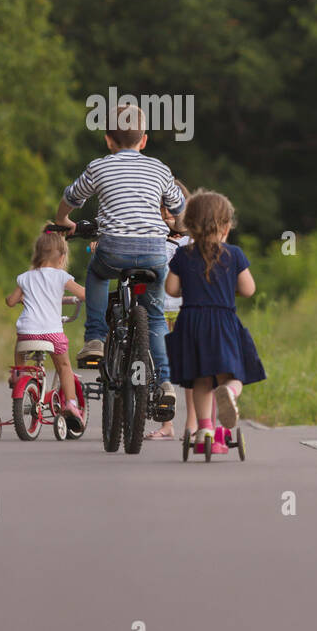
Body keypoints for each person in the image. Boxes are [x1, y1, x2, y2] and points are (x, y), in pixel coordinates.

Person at [53, 103, 185, 406]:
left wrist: (63, 221)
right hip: (153, 253)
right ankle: (164, 382)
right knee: (154, 317)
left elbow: (71, 197)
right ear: (144, 140)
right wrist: (176, 227)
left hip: (113, 249)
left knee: (97, 274)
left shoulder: (99, 166)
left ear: (108, 140)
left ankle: (96, 338)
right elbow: (179, 210)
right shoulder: (160, 169)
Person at [165, 189, 265, 456]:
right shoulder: (233, 254)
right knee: (233, 374)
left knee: (200, 379)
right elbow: (248, 290)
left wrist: (190, 285)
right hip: (223, 322)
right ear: (225, 225)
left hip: (191, 323)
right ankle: (230, 393)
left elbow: (171, 289)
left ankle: (205, 429)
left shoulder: (183, 255)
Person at [5, 230, 86, 429]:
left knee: (20, 342)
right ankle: (71, 404)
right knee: (65, 367)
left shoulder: (25, 277)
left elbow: (10, 301)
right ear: (61, 257)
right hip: (52, 333)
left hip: (28, 331)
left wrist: (24, 299)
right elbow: (84, 294)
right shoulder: (61, 276)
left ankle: (19, 374)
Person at [147, 181, 190, 442]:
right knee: (160, 367)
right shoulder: (151, 235)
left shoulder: (190, 239)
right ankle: (167, 424)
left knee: (188, 365)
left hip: (183, 308)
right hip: (159, 308)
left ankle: (195, 423)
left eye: (171, 210)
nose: (165, 216)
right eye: (160, 210)